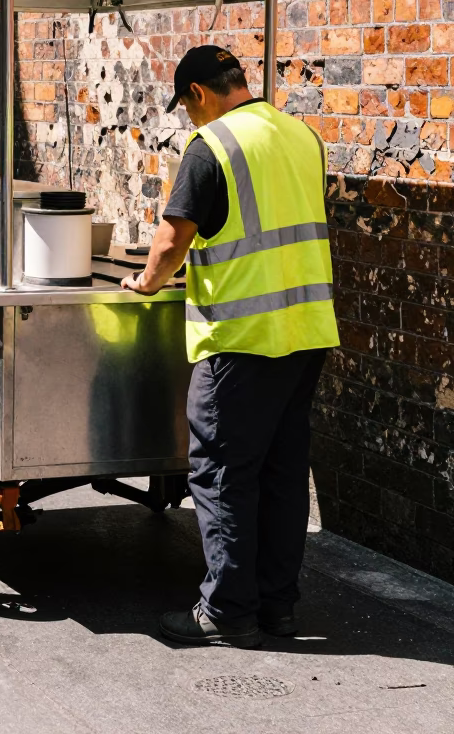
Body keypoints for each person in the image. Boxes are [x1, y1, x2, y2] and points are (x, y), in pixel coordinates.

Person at [122, 45, 339, 648]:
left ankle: (226, 611)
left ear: (197, 92)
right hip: (306, 334)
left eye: (186, 106)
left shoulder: (211, 146)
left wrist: (144, 283)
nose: (189, 118)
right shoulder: (301, 136)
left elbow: (171, 244)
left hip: (241, 340)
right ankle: (278, 607)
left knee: (222, 476)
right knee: (283, 475)